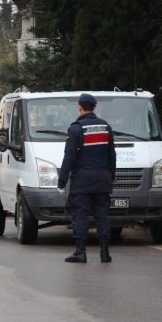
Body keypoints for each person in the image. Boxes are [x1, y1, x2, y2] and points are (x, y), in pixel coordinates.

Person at [58, 93, 116, 263]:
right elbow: (111, 154)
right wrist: (110, 176)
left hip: (82, 180)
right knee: (102, 216)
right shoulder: (106, 127)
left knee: (80, 215)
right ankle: (104, 253)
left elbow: (69, 157)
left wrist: (62, 181)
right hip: (102, 179)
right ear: (95, 107)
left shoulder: (75, 128)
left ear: (79, 107)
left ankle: (80, 252)